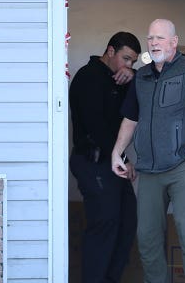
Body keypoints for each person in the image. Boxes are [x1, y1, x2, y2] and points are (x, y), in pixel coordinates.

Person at [111, 19, 185, 283]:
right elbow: (131, 118)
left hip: (182, 167)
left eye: (160, 38)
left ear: (174, 42)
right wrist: (118, 152)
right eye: (151, 38)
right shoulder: (142, 76)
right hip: (149, 170)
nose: (154, 43)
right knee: (148, 239)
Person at [69, 31, 141, 283]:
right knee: (105, 225)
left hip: (113, 162)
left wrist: (132, 77)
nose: (128, 65)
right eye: (126, 59)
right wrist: (123, 159)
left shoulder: (120, 80)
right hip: (93, 161)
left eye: (133, 61)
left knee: (127, 224)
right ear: (110, 51)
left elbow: (135, 106)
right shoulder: (88, 77)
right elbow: (97, 128)